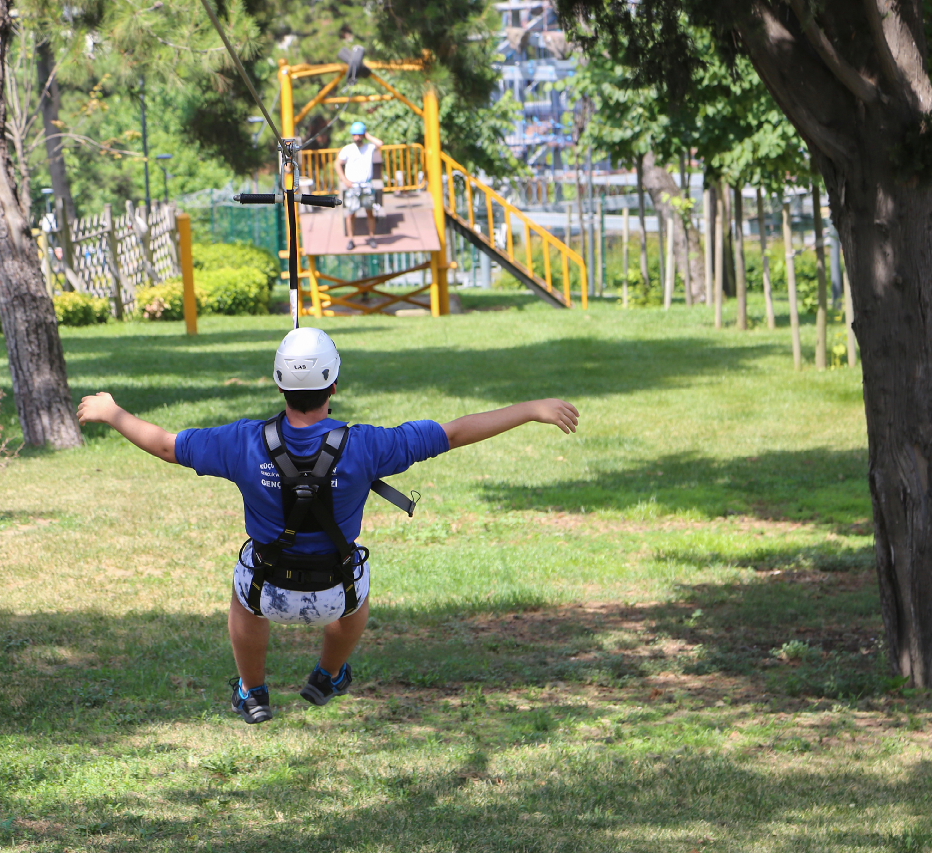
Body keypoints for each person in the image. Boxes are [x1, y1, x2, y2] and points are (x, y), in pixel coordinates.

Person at [77, 328, 579, 724]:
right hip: (336, 590)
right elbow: (454, 432)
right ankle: (329, 673)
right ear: (334, 385)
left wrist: (114, 412)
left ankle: (253, 693)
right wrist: (529, 410)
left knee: (243, 587)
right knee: (358, 584)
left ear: (278, 384)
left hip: (266, 589)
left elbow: (167, 445)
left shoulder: (242, 442)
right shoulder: (368, 445)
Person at [335, 121, 384, 251]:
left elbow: (380, 144)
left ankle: (372, 237)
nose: (357, 138)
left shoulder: (369, 148)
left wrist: (367, 135)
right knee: (351, 214)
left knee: (370, 213)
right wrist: (344, 180)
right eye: (355, 135)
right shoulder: (348, 149)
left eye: (360, 135)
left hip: (366, 185)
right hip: (353, 186)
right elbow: (338, 164)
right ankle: (351, 240)